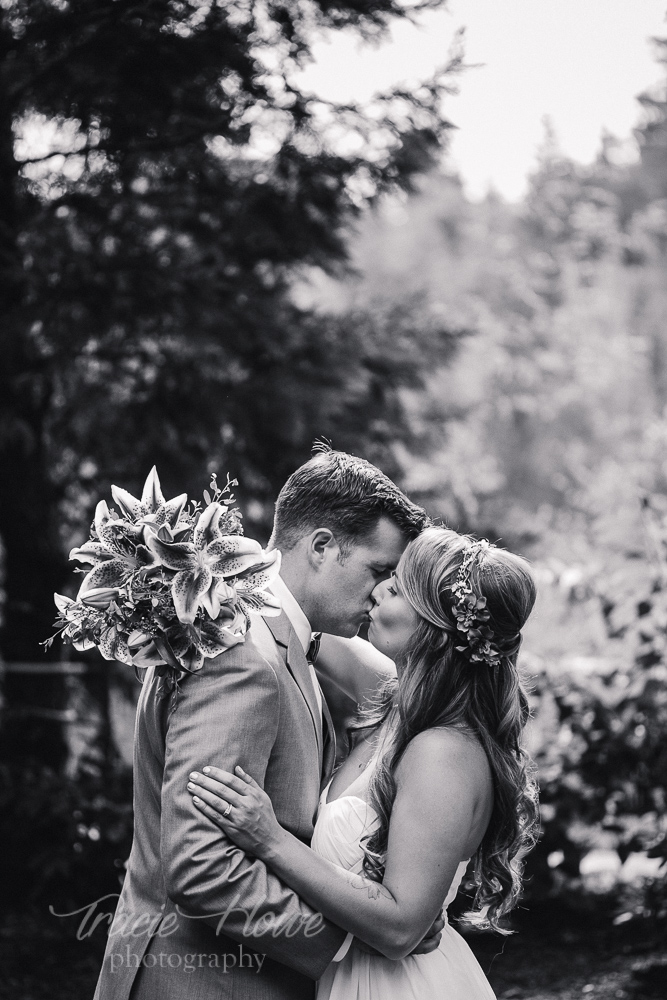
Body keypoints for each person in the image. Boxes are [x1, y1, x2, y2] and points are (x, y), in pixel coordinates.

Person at [94, 447, 440, 1000]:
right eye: (378, 571)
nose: (380, 593)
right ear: (322, 546)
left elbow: (409, 691)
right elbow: (202, 867)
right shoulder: (241, 654)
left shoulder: (282, 643)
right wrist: (354, 938)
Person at [186, 526, 540, 1000]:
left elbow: (399, 931)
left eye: (393, 587)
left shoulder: (443, 752)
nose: (376, 590)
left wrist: (269, 839)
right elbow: (293, 625)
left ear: (433, 628)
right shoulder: (402, 700)